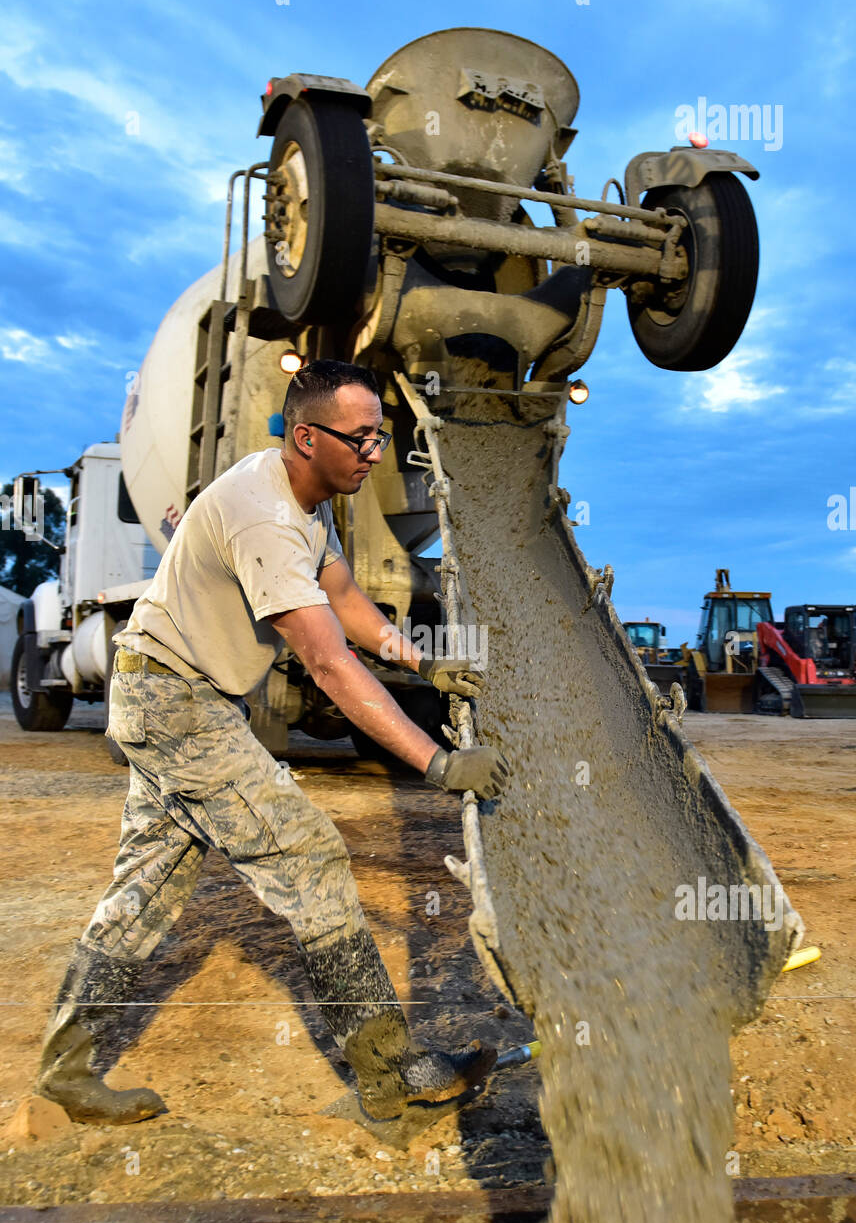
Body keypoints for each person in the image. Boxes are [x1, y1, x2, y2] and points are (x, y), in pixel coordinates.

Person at [35, 360, 509, 1125]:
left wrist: (422, 659)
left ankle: (66, 1070)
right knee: (308, 854)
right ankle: (390, 1072)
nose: (376, 455)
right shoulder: (263, 516)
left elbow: (345, 596)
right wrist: (436, 761)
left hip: (179, 695)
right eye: (360, 439)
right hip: (174, 701)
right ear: (305, 435)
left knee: (144, 892)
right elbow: (327, 661)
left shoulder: (303, 496)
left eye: (381, 437)